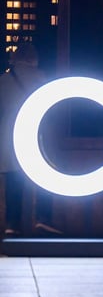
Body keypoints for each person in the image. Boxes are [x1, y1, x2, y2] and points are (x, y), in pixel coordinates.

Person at [0, 43, 61, 237]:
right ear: (34, 59)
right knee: (44, 178)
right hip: (36, 136)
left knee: (14, 181)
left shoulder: (4, 81)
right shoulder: (42, 79)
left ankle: (12, 224)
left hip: (9, 137)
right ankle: (43, 218)